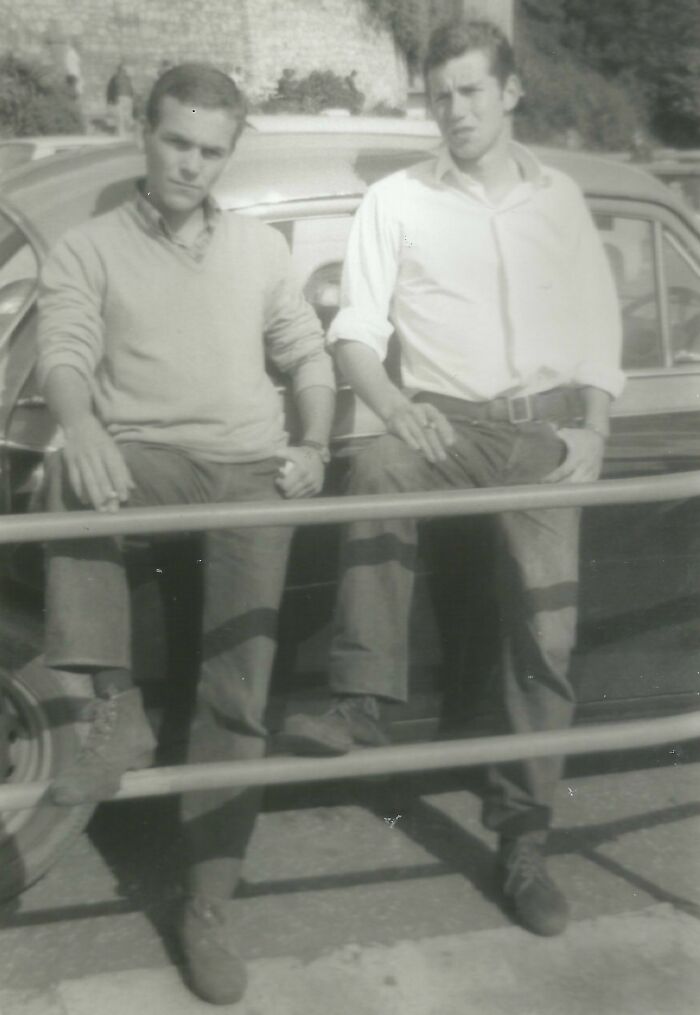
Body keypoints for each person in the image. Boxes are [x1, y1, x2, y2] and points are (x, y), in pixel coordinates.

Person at [281, 18, 623, 939]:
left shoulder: (560, 199)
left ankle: (523, 841)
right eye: (441, 97)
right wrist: (394, 407)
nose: (456, 112)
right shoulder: (397, 201)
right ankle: (359, 703)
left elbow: (597, 327)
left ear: (510, 93)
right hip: (440, 423)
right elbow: (353, 333)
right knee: (379, 458)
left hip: (544, 430)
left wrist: (593, 426)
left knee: (544, 638)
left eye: (472, 92)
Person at [37, 63, 335, 1005]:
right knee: (64, 473)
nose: (192, 165)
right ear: (142, 131)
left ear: (229, 155)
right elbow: (65, 355)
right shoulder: (86, 249)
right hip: (148, 458)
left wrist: (317, 442)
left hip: (250, 467)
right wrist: (81, 425)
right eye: (177, 142)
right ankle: (108, 704)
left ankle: (206, 904)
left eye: (212, 151)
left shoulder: (259, 249)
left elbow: (305, 351)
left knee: (234, 693)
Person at [106, 61, 135, 134]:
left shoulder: (118, 78)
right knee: (122, 116)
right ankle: (123, 132)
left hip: (124, 98)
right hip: (123, 98)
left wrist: (109, 99)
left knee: (123, 116)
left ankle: (124, 132)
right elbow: (111, 89)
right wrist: (110, 99)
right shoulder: (123, 78)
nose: (123, 71)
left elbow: (110, 89)